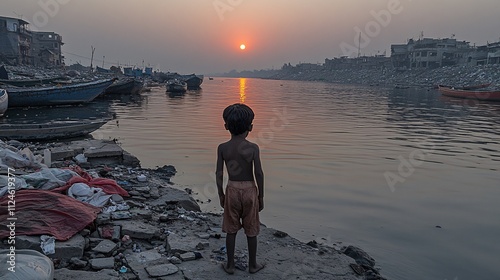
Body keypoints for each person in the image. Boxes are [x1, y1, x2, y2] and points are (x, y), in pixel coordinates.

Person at [216, 103, 265, 274]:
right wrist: (261, 197)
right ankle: (253, 265)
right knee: (251, 230)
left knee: (231, 229)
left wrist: (221, 194)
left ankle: (230, 265)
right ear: (250, 127)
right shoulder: (253, 148)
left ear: (226, 126)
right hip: (250, 189)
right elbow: (259, 173)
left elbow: (219, 173)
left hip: (232, 190)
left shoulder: (223, 148)